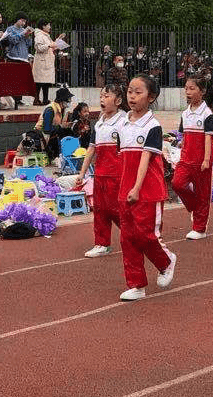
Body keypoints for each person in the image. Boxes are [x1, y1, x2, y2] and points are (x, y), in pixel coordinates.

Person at [115, 74, 176, 301]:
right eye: (130, 91)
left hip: (147, 190)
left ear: (151, 97)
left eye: (138, 92)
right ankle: (136, 284)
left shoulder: (153, 126)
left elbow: (145, 159)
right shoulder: (122, 123)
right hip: (126, 189)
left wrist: (137, 187)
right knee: (127, 238)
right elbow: (123, 158)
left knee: (146, 235)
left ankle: (166, 261)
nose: (132, 96)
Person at [72, 84, 127, 258]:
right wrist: (82, 173)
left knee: (116, 210)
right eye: (101, 96)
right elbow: (91, 149)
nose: (102, 99)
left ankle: (133, 234)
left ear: (118, 101)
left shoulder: (124, 121)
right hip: (100, 174)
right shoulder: (99, 123)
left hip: (118, 174)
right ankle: (102, 243)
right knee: (100, 210)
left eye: (107, 96)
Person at [170, 75, 213, 240]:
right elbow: (183, 136)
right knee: (177, 183)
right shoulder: (185, 113)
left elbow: (208, 138)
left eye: (192, 88)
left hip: (201, 160)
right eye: (186, 88)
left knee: (203, 194)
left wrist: (206, 159)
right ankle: (194, 207)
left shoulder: (208, 114)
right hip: (185, 159)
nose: (187, 92)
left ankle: (200, 228)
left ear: (202, 91)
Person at [38, 87, 76, 163]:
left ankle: (70, 154)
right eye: (68, 100)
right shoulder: (50, 109)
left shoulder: (61, 110)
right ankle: (55, 156)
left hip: (53, 133)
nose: (70, 102)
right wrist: (61, 127)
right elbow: (47, 129)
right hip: (43, 137)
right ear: (62, 101)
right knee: (62, 132)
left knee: (69, 132)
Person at [32, 22, 65, 105]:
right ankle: (37, 99)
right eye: (48, 25)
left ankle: (45, 99)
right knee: (39, 82)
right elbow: (39, 48)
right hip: (42, 61)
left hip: (47, 60)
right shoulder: (39, 35)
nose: (50, 27)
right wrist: (50, 45)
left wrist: (58, 41)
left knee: (46, 82)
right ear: (43, 26)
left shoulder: (46, 35)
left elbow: (51, 46)